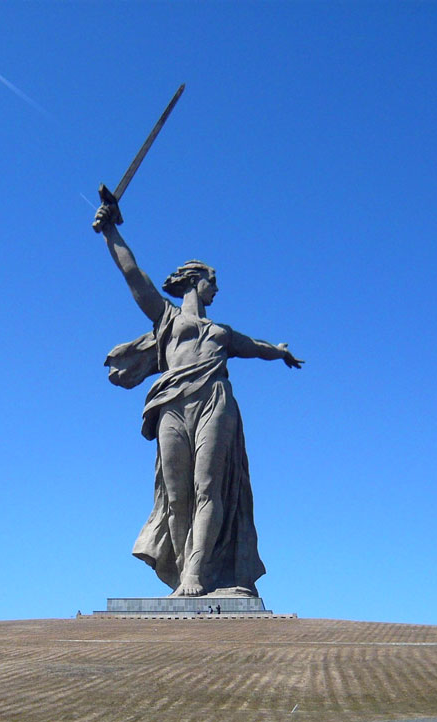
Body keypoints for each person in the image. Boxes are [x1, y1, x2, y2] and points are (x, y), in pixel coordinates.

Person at [96, 204, 303, 598]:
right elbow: (133, 276)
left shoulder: (222, 333)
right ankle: (181, 574)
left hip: (214, 400)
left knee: (209, 487)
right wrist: (111, 232)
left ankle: (196, 575)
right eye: (213, 281)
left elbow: (256, 347)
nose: (217, 289)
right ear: (195, 281)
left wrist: (279, 351)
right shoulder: (168, 319)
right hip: (172, 402)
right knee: (177, 496)